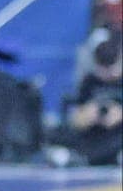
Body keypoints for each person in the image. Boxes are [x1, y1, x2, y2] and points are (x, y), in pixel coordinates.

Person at [47, 33, 123, 167]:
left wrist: (119, 114)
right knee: (57, 133)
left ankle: (87, 157)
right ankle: (86, 156)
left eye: (110, 68)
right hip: (93, 132)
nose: (107, 74)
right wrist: (86, 116)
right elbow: (77, 116)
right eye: (103, 69)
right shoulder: (89, 82)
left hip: (117, 133)